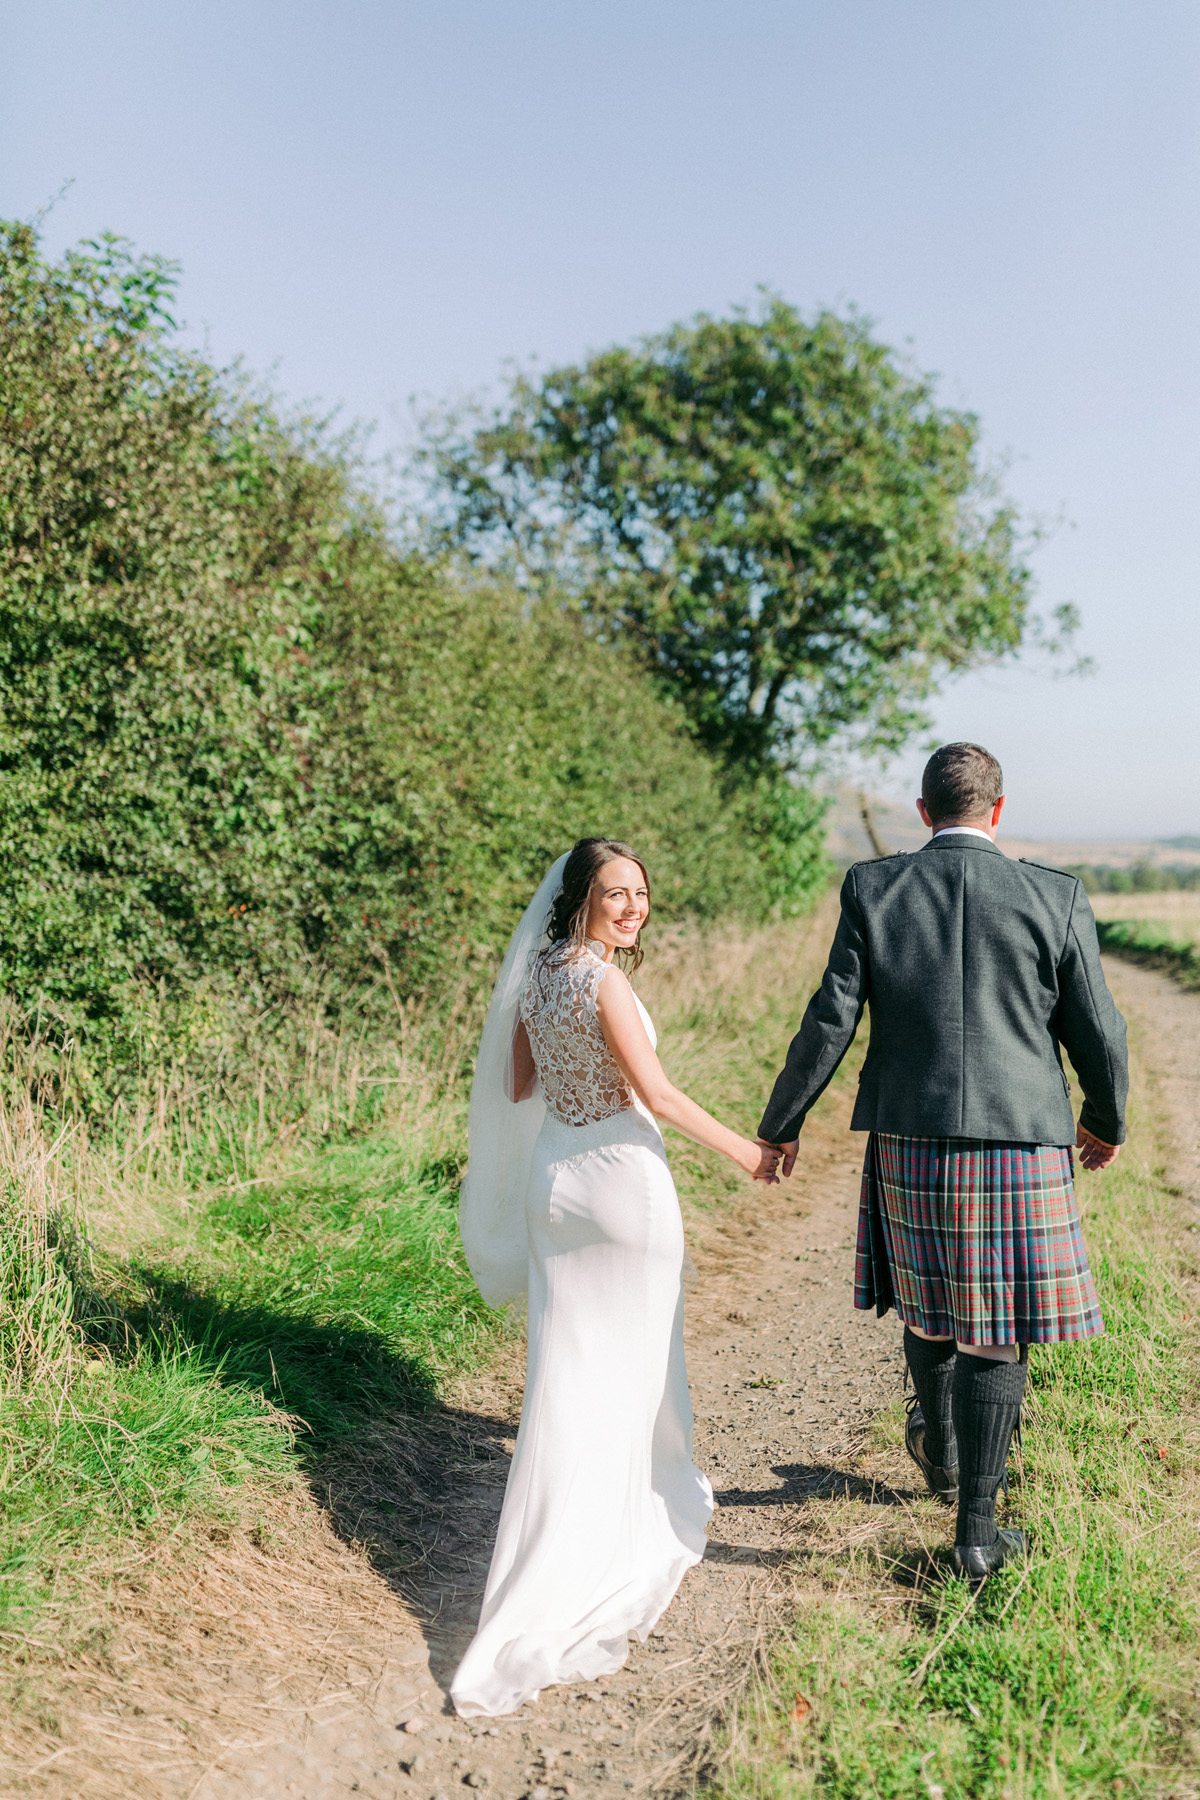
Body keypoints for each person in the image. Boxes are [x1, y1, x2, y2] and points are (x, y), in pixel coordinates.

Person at [757, 743, 1128, 1585]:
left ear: (923, 813)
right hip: (1023, 1138)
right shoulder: (1055, 893)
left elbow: (829, 1020)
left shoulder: (874, 887)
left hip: (912, 1135)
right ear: (997, 811)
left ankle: (940, 1443)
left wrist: (783, 1121)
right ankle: (977, 1531)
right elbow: (1099, 1031)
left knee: (929, 1307)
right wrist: (1103, 1121)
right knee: (998, 1332)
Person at [451, 838, 779, 1716]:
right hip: (624, 1186)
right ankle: (621, 1526)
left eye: (639, 894)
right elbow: (662, 1097)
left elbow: (519, 1083)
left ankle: (549, 1543)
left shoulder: (539, 976)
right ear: (581, 900)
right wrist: (750, 1153)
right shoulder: (605, 982)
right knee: (632, 1366)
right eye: (614, 895)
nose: (632, 909)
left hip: (555, 1186)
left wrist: (571, 1072)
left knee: (564, 1374)